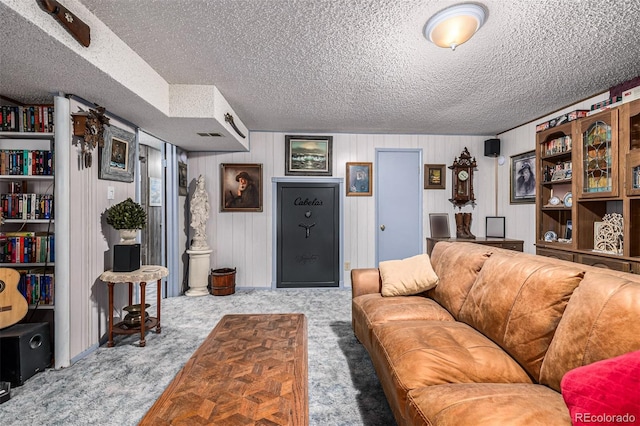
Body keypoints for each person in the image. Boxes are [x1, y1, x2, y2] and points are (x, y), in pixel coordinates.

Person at [190, 175, 210, 249]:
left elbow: (207, 203)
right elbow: (192, 203)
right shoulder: (196, 194)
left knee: (203, 224)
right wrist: (198, 202)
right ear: (198, 184)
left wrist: (207, 211)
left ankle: (202, 236)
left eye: (203, 183)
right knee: (197, 225)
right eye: (201, 183)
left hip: (203, 211)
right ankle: (198, 236)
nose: (202, 185)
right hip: (197, 211)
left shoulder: (205, 194)